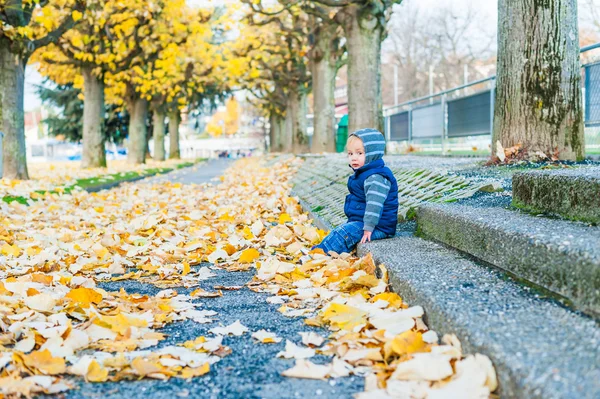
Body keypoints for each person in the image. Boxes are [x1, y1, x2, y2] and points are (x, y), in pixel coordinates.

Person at [313, 128, 398, 255]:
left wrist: (368, 228)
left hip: (378, 226)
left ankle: (320, 254)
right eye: (350, 154)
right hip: (364, 222)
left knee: (345, 234)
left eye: (359, 153)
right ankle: (320, 250)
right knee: (339, 231)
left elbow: (374, 205)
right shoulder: (364, 174)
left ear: (372, 154)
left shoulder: (375, 177)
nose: (354, 158)